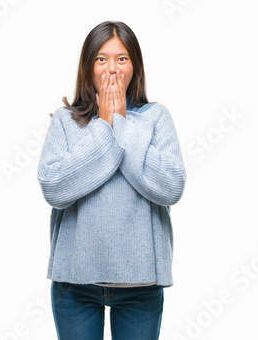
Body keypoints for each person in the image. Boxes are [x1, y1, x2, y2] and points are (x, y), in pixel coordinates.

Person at [37, 20, 186, 340]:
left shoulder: (155, 117)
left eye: (122, 59)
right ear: (88, 66)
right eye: (101, 59)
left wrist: (121, 121)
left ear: (135, 66)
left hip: (141, 285)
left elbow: (171, 188)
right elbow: (54, 188)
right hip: (75, 284)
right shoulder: (65, 120)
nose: (112, 69)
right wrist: (104, 123)